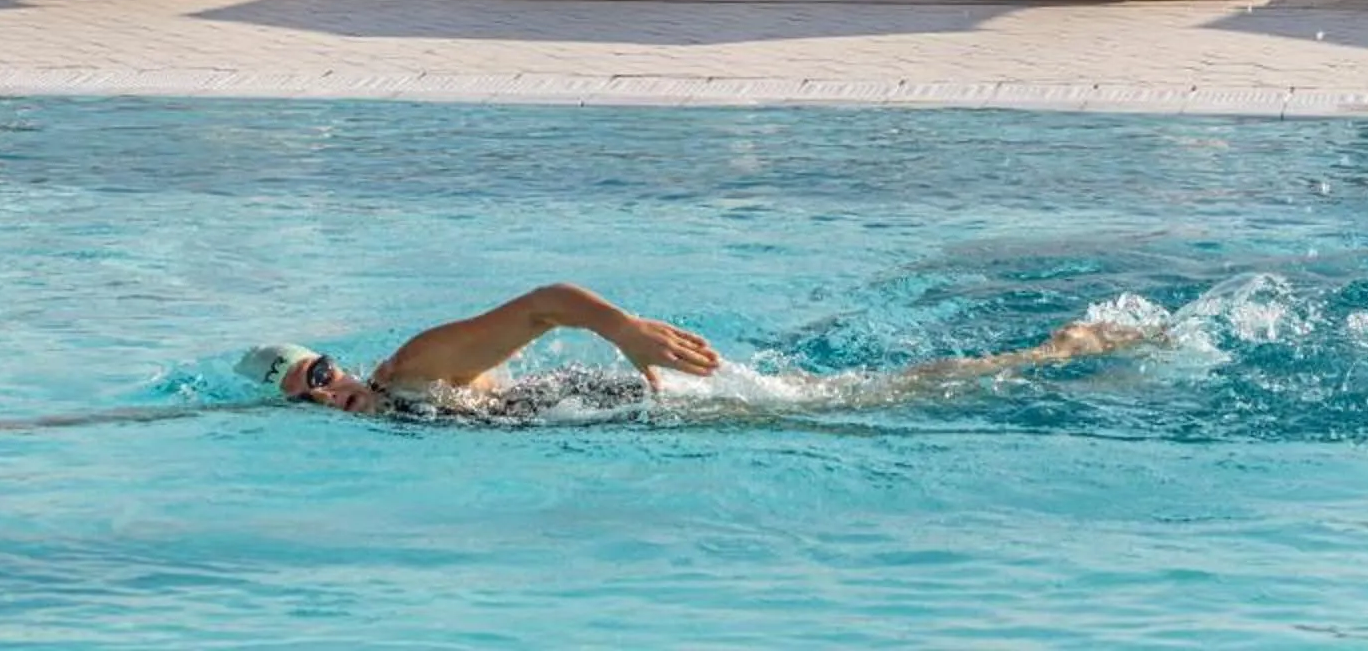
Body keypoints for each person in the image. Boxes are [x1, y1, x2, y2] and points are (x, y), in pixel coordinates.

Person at [249, 281, 1151, 421]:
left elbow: (550, 302)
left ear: (342, 359)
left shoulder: (409, 370)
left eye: (321, 371)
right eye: (306, 396)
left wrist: (628, 332)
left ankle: (1058, 351)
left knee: (852, 405)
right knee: (851, 402)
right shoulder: (384, 417)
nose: (328, 394)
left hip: (634, 399)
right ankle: (1048, 355)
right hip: (611, 418)